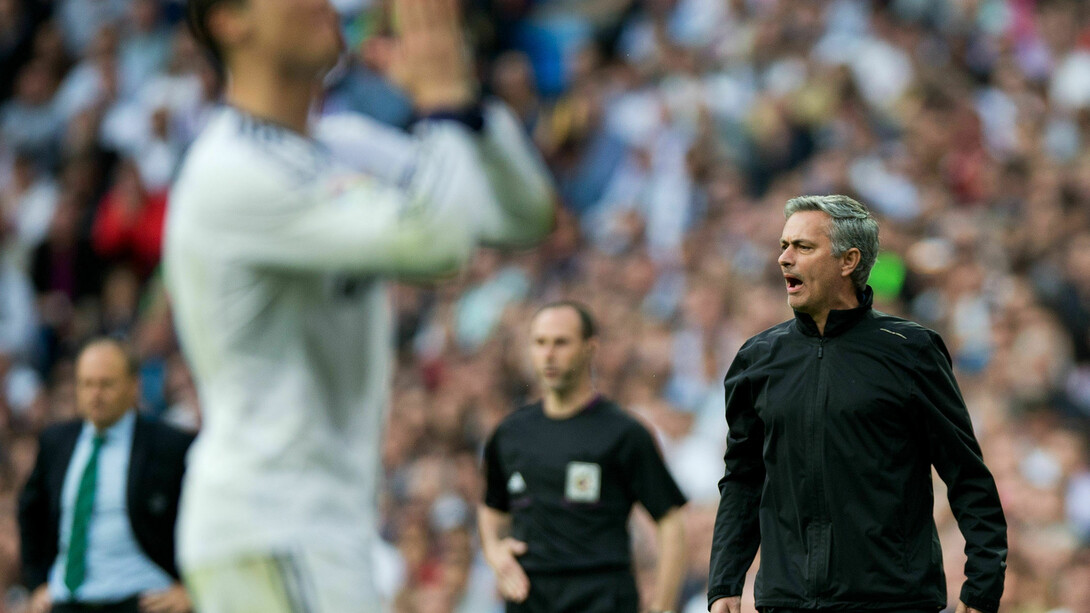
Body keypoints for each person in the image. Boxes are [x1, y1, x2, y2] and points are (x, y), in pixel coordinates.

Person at [167, 0, 555, 609]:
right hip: (270, 523)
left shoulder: (339, 145)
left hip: (316, 530)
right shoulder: (230, 171)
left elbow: (523, 217)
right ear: (230, 21)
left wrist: (467, 108)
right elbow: (439, 243)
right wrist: (441, 111)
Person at [707, 195, 1008, 613]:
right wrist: (724, 583)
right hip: (785, 601)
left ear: (848, 261)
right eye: (783, 246)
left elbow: (966, 475)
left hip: (892, 601)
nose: (784, 259)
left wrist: (982, 589)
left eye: (803, 247)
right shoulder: (757, 359)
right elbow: (743, 478)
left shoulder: (912, 352)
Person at [480, 301, 688, 613]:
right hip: (529, 599)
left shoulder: (623, 433)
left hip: (601, 597)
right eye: (540, 343)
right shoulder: (511, 432)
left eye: (561, 342)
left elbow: (670, 522)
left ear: (590, 348)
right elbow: (491, 507)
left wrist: (663, 605)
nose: (548, 354)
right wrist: (494, 551)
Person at [18, 338, 195, 613]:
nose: (95, 394)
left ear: (134, 386)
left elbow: (201, 515)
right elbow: (30, 512)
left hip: (143, 599)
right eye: (86, 384)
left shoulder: (169, 446)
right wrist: (37, 582)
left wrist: (190, 587)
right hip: (67, 601)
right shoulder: (56, 442)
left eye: (106, 384)